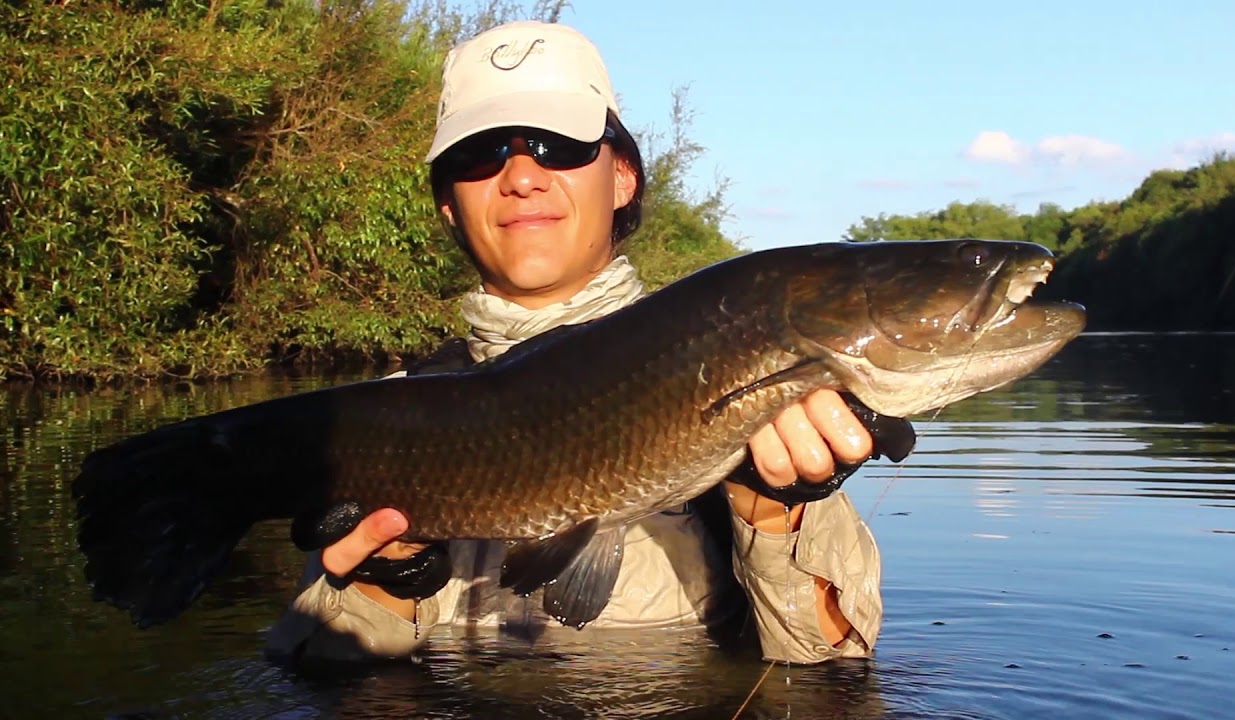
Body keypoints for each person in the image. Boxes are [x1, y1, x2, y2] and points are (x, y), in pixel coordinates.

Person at [265, 19, 884, 667]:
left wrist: (776, 510)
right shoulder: (381, 422)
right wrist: (385, 581)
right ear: (448, 203)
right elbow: (314, 681)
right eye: (480, 155)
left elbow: (835, 675)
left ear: (623, 177)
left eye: (557, 144)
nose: (522, 177)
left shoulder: (744, 379)